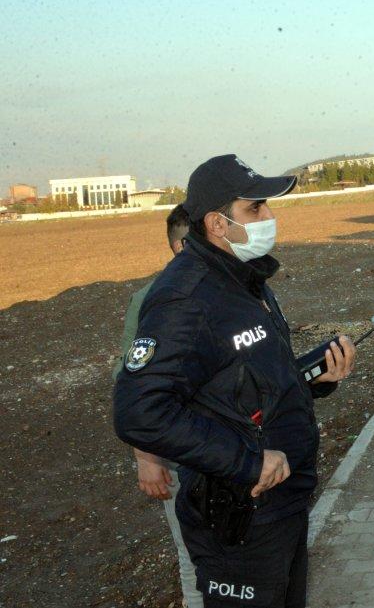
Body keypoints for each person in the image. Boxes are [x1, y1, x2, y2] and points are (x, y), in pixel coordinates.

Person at [113, 154, 357, 608]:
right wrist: (247, 462)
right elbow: (139, 412)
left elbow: (247, 382)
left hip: (281, 503)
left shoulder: (245, 281)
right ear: (217, 223)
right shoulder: (186, 297)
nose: (269, 216)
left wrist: (317, 376)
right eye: (255, 208)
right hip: (239, 515)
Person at [111, 204, 201, 607]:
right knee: (193, 558)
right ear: (182, 246)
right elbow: (133, 386)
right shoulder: (150, 301)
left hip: (236, 451)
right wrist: (146, 459)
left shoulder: (233, 288)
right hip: (182, 458)